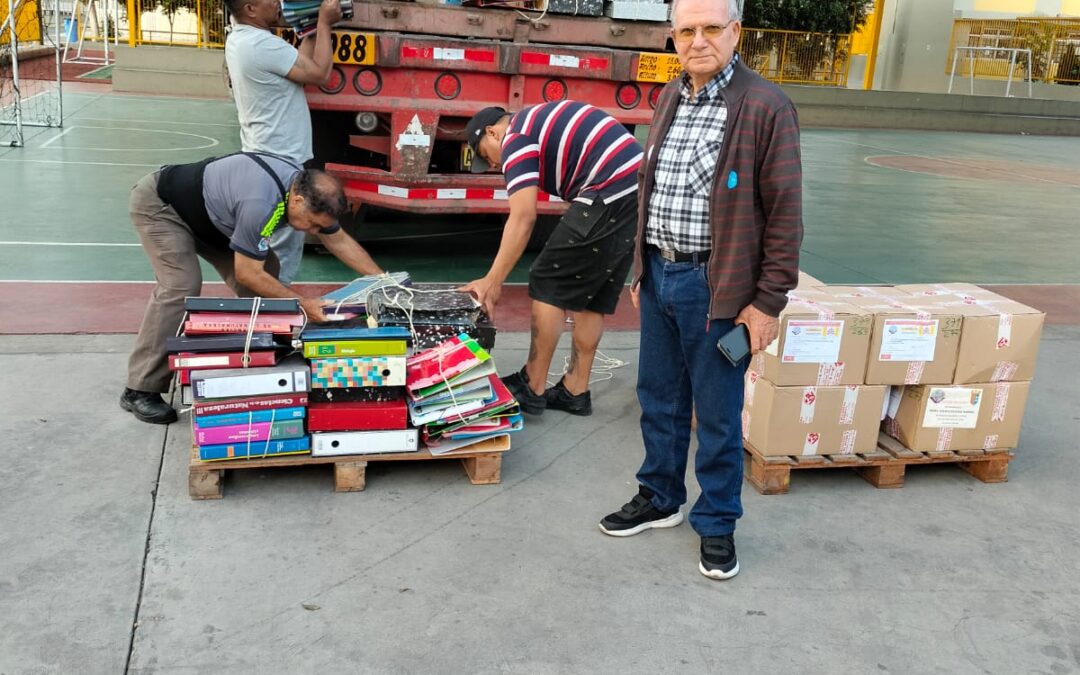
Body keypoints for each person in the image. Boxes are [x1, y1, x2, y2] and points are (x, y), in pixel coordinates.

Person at [598, 0, 803, 580]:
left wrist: (766, 303)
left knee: (715, 415)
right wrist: (642, 268)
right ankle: (660, 495)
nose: (698, 41)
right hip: (662, 274)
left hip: (719, 287)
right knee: (658, 399)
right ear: (672, 37)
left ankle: (717, 524)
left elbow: (786, 214)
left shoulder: (766, 106)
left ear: (736, 32)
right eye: (686, 30)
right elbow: (651, 188)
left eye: (712, 28)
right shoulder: (669, 97)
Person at [120, 152, 383, 425]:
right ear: (298, 200)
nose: (314, 231)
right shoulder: (261, 202)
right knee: (180, 285)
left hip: (215, 220)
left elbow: (338, 240)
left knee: (268, 275)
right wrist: (303, 303)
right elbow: (247, 273)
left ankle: (266, 357)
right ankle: (140, 388)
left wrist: (382, 280)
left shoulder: (304, 191)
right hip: (164, 208)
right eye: (313, 224)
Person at [459, 102, 643, 417]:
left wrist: (493, 280)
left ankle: (532, 385)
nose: (489, 163)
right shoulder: (536, 123)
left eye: (484, 152)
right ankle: (575, 390)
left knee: (548, 279)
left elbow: (523, 216)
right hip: (637, 189)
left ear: (493, 131)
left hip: (611, 186)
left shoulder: (516, 136)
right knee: (590, 296)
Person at [224, 0, 342, 284]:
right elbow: (320, 74)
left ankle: (267, 307)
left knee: (273, 242)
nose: (278, 2)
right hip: (280, 160)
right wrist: (325, 24)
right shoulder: (261, 45)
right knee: (283, 247)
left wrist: (311, 28)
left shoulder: (244, 40)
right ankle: (274, 311)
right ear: (250, 9)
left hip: (265, 155)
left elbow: (300, 67)